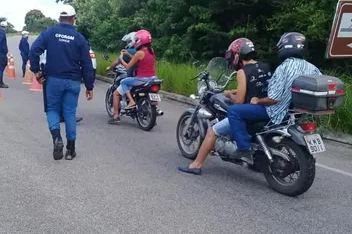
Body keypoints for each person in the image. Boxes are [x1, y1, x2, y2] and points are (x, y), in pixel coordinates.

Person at [178, 38, 272, 175]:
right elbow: (257, 88)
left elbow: (239, 101)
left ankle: (195, 165)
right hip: (266, 107)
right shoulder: (265, 66)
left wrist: (229, 94)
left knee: (212, 131)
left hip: (249, 112)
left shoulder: (242, 72)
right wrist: (236, 91)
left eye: (233, 55)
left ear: (238, 55)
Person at [227, 32, 321, 159]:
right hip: (294, 112)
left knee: (233, 111)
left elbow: (273, 99)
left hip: (275, 112)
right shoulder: (313, 68)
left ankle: (244, 147)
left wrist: (258, 100)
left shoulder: (284, 67)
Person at [29, 4, 94, 161]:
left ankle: (57, 138)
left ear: (60, 19)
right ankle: (71, 150)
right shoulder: (79, 38)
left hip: (53, 80)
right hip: (73, 81)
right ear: (73, 19)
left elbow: (34, 51)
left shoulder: (50, 33)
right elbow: (87, 63)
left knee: (52, 109)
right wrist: (89, 85)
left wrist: (37, 71)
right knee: (70, 113)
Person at [108, 29, 156, 124]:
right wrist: (127, 54)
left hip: (141, 79)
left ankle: (121, 111)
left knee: (123, 83)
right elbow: (139, 60)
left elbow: (128, 66)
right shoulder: (151, 51)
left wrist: (122, 57)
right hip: (153, 78)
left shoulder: (139, 53)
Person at [40, 50, 84, 124]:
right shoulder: (50, 41)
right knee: (56, 96)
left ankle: (62, 115)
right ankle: (58, 116)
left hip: (54, 68)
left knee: (63, 95)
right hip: (49, 68)